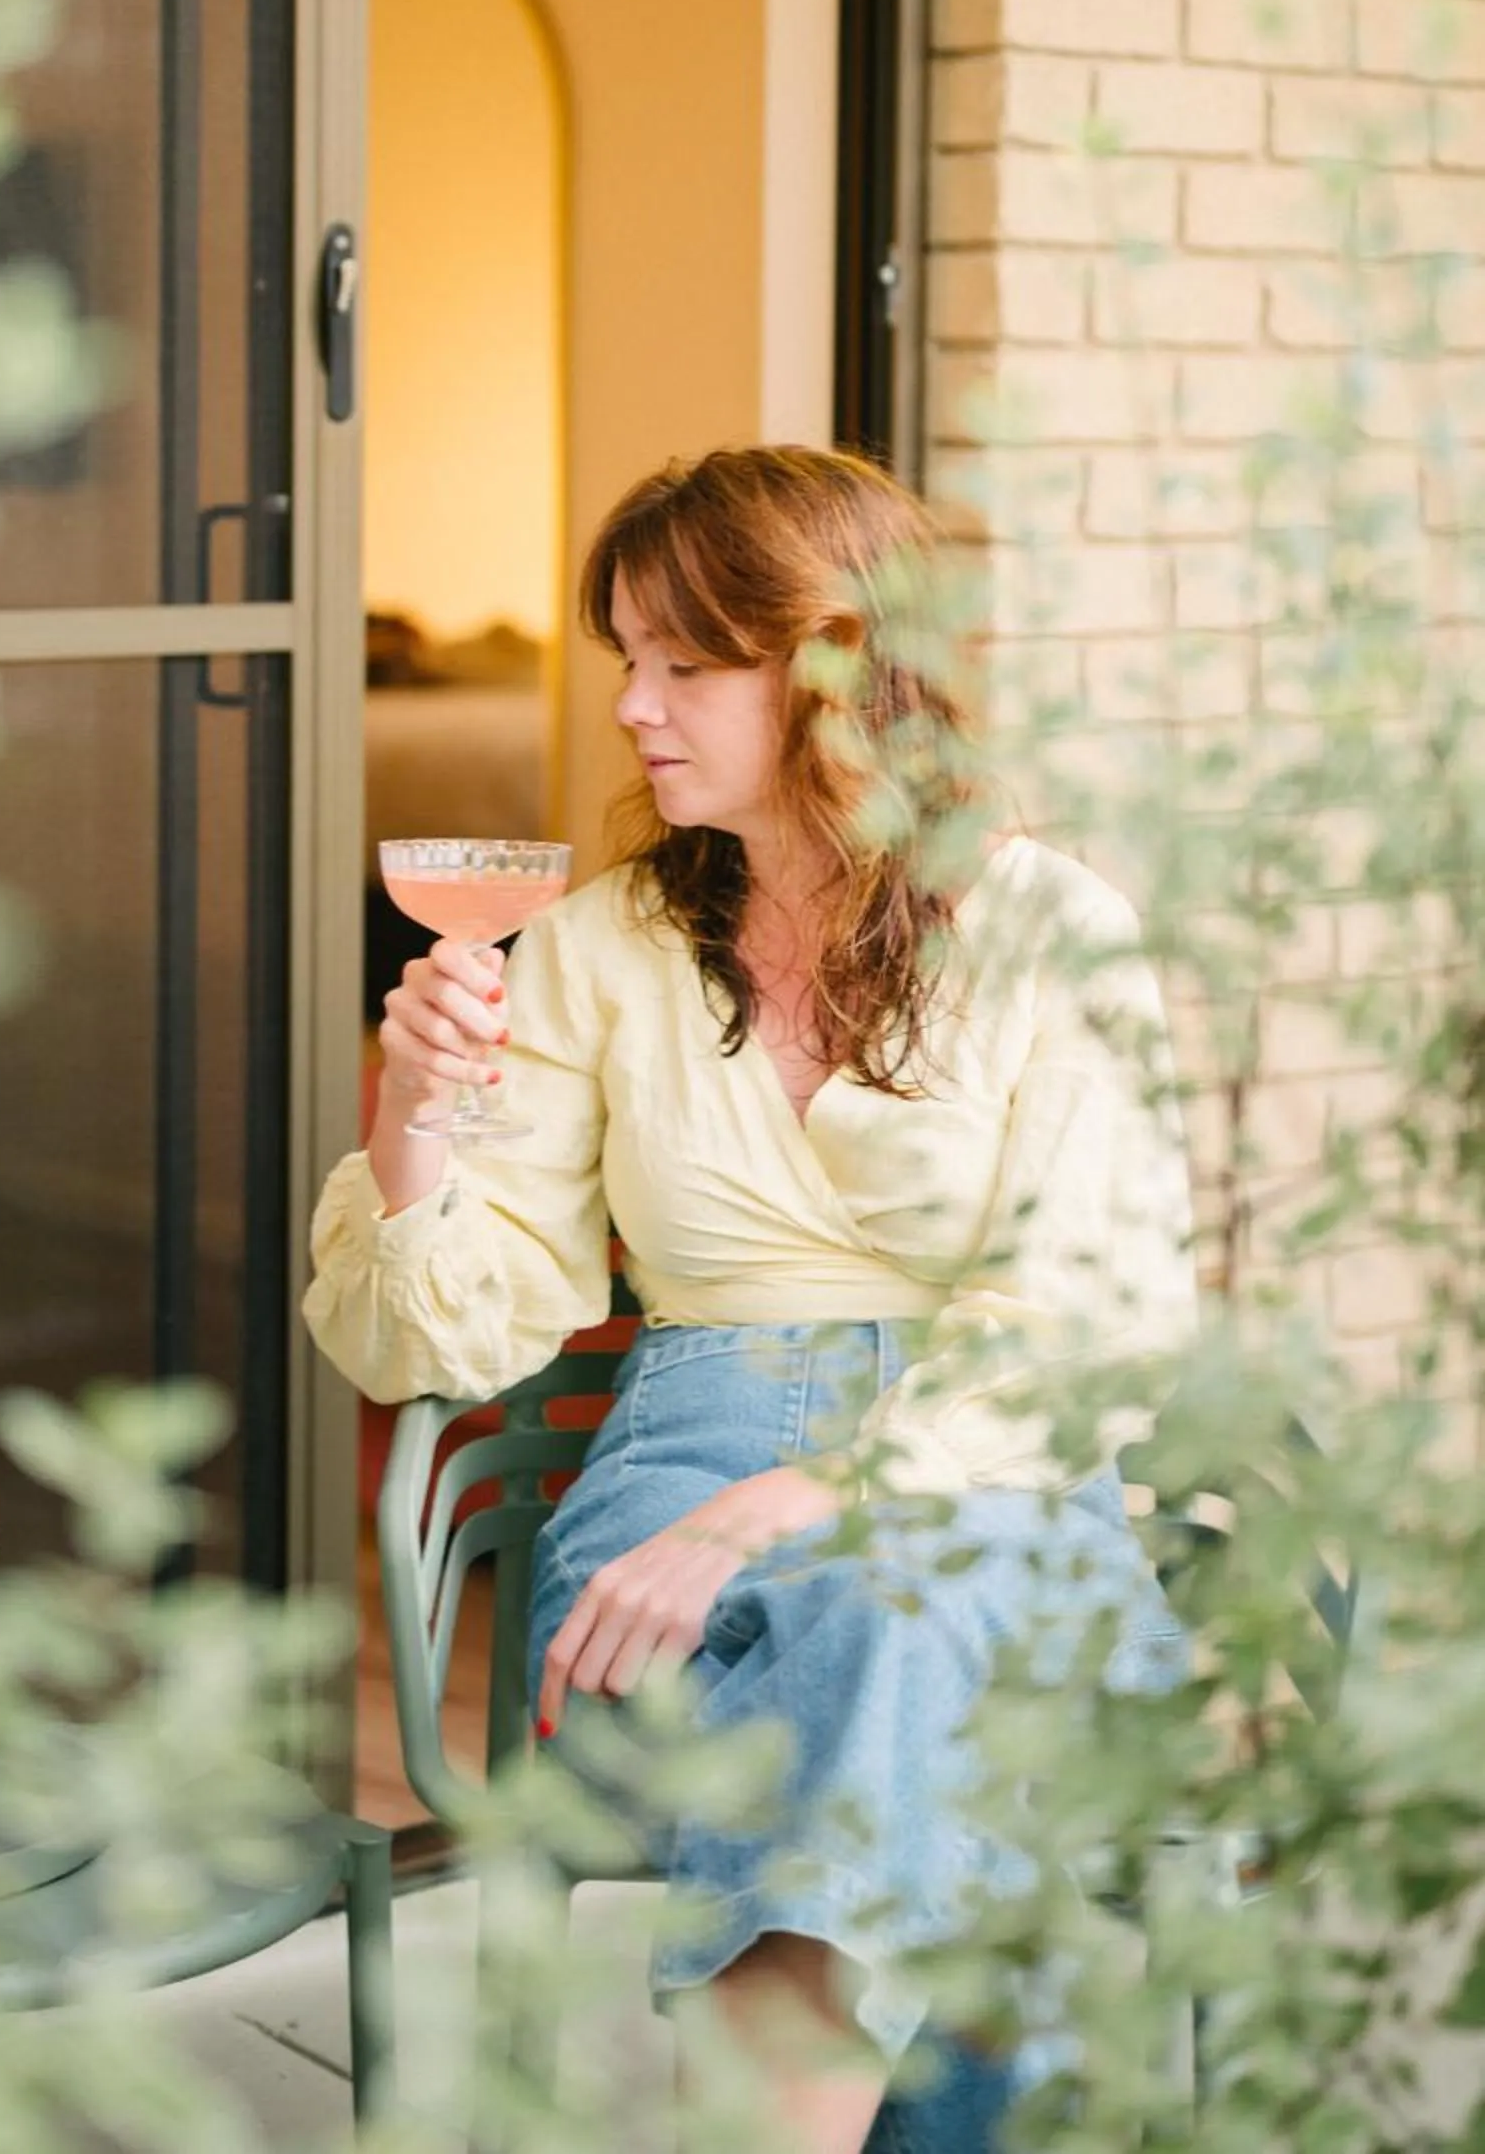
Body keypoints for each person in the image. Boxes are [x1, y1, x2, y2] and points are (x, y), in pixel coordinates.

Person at [306, 445, 1199, 2154]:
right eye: (623, 659)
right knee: (930, 1705)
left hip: (983, 1474)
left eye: (685, 665)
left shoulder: (1046, 926)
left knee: (885, 1627)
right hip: (681, 1461)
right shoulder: (593, 947)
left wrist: (790, 1508)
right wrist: (418, 1126)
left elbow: (1095, 1324)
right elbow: (450, 1326)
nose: (633, 709)